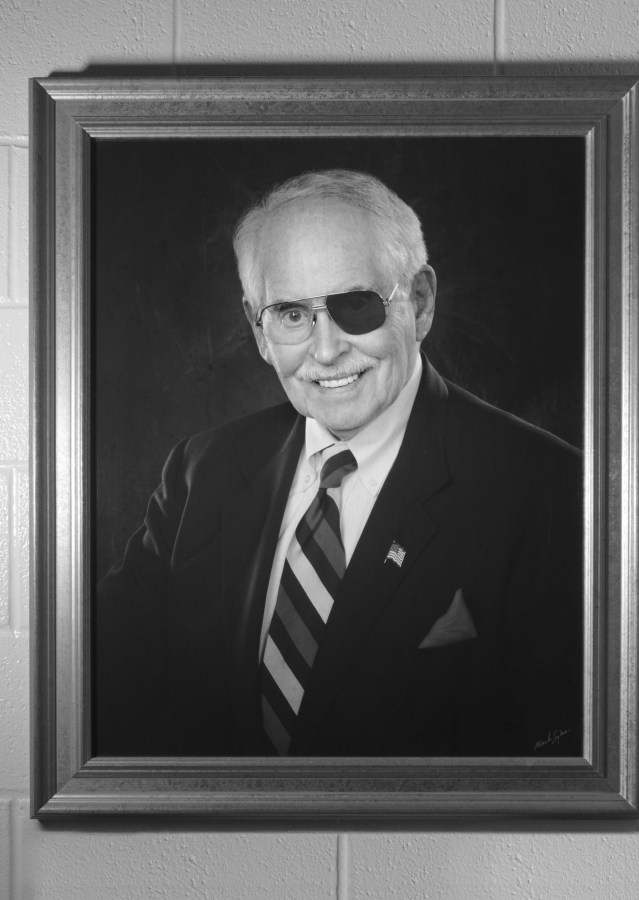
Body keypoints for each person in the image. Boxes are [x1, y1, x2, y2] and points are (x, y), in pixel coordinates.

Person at [97, 169, 582, 758]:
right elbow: (100, 686)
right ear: (258, 329)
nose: (326, 351)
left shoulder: (550, 491)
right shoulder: (202, 471)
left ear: (421, 303)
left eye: (356, 305)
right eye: (292, 314)